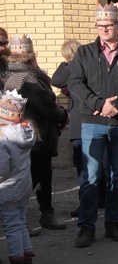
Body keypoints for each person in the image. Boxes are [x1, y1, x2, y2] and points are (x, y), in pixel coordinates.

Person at [68, 3, 118, 248]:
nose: (104, 29)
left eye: (108, 25)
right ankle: (86, 227)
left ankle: (114, 224)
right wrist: (99, 103)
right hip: (93, 123)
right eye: (100, 26)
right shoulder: (84, 53)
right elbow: (75, 83)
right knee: (91, 176)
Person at [4, 35, 70, 231]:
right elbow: (46, 106)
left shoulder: (13, 75)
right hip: (34, 135)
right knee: (33, 178)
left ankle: (44, 215)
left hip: (31, 134)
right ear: (30, 57)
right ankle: (18, 221)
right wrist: (63, 115)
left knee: (42, 175)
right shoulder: (27, 78)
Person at [51, 40, 109, 219]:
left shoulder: (82, 68)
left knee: (87, 166)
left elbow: (57, 80)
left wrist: (70, 63)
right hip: (84, 121)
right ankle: (97, 199)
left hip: (86, 120)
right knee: (92, 164)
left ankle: (91, 201)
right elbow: (56, 80)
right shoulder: (80, 67)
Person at [0, 90, 37, 264]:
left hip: (7, 190)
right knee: (20, 222)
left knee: (11, 226)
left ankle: (17, 263)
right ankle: (27, 258)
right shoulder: (24, 131)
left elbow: (1, 170)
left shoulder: (3, 138)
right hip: (23, 186)